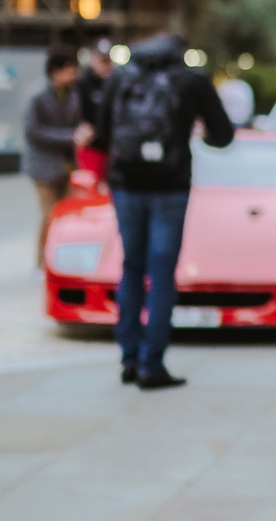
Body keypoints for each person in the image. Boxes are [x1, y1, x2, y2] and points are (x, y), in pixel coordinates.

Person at [93, 32, 234, 389]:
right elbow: (223, 136)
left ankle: (128, 358)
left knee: (131, 265)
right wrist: (196, 129)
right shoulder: (190, 80)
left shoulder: (121, 77)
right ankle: (151, 364)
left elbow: (102, 134)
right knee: (161, 272)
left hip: (125, 185)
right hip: (170, 187)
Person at [22, 47, 88, 268]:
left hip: (67, 166)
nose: (74, 75)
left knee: (69, 216)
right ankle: (42, 264)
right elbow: (33, 131)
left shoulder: (73, 93)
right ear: (56, 71)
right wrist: (70, 137)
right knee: (50, 216)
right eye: (70, 70)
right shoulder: (36, 95)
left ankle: (63, 261)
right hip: (43, 167)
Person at [74, 38, 116, 180]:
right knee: (91, 188)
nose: (106, 65)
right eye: (102, 61)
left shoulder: (116, 83)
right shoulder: (81, 84)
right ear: (93, 59)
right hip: (91, 148)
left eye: (108, 61)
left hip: (112, 146)